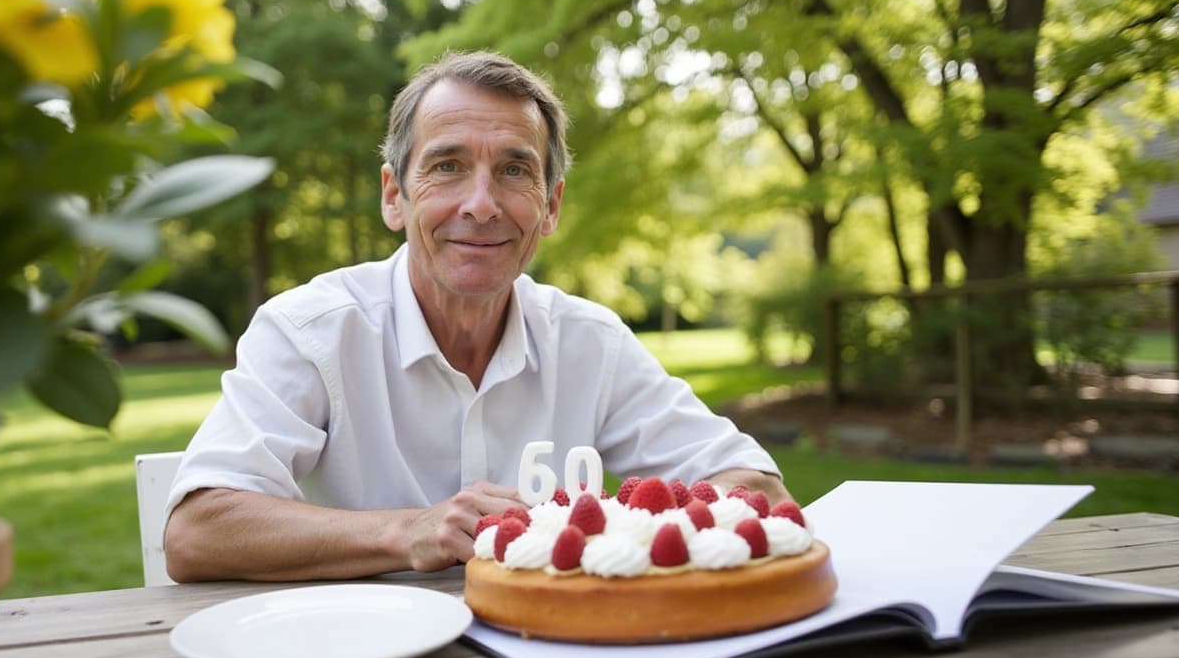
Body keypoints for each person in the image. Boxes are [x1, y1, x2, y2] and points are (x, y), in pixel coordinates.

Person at [163, 50, 789, 583]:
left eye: (515, 170)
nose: (482, 204)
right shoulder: (310, 331)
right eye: (447, 166)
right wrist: (409, 532)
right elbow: (196, 532)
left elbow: (755, 485)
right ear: (393, 196)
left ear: (551, 206)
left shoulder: (588, 341)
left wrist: (626, 534)